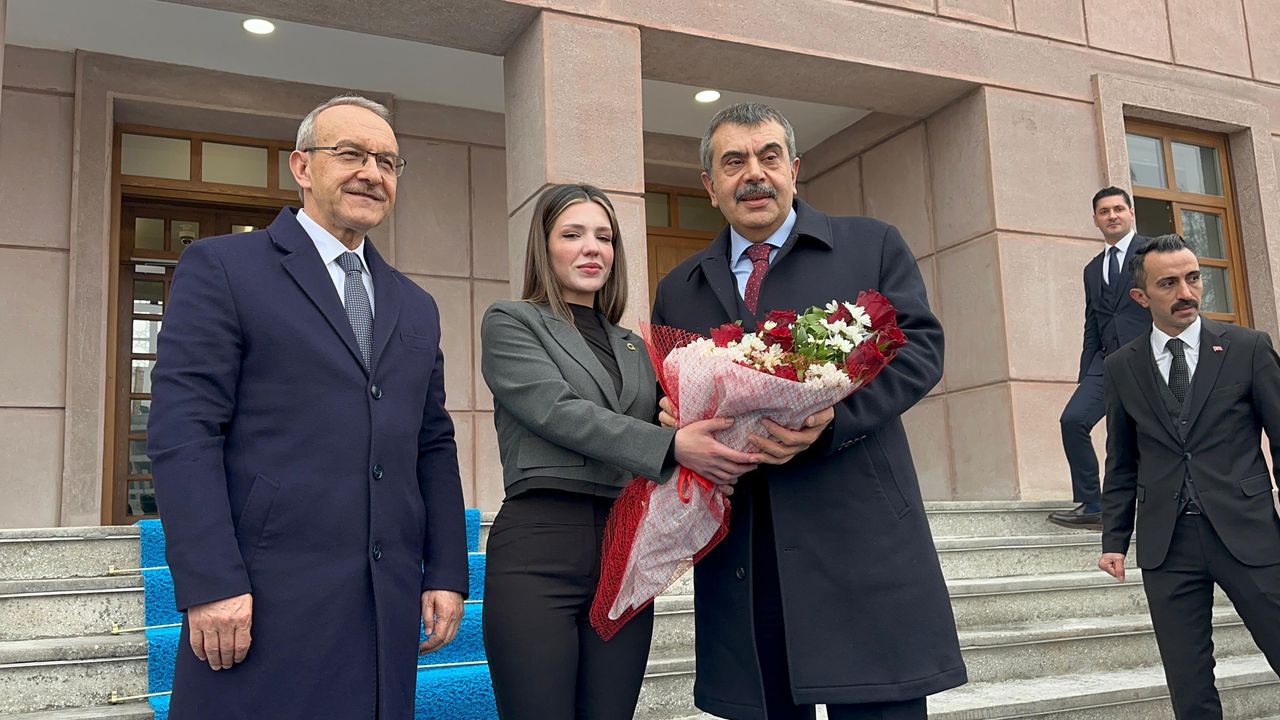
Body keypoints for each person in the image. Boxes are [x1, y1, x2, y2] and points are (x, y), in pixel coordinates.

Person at [147, 94, 469, 720]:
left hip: (384, 598)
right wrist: (211, 581)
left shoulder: (414, 304)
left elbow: (432, 442)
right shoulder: (223, 267)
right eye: (350, 154)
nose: (371, 173)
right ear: (301, 166)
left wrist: (447, 571)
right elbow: (185, 430)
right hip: (264, 595)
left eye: (387, 162)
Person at [652, 103, 965, 720]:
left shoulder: (870, 245)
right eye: (734, 162)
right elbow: (667, 391)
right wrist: (672, 420)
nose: (754, 174)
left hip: (859, 530)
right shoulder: (679, 287)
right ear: (710, 186)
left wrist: (833, 423)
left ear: (794, 169)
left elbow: (919, 349)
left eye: (769, 156)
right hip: (744, 549)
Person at [478, 183, 756, 719]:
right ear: (544, 246)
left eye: (603, 237)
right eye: (572, 234)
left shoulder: (635, 346)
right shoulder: (512, 321)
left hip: (624, 548)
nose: (592, 248)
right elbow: (555, 410)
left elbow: (664, 424)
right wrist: (671, 443)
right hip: (538, 545)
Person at [1097, 234, 1280, 717]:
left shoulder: (1247, 348)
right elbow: (1122, 459)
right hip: (1167, 542)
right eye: (1169, 283)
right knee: (1188, 681)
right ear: (1141, 297)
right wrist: (1114, 538)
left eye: (1193, 278)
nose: (1186, 292)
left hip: (1248, 532)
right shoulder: (1122, 366)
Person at [1049, 187, 1151, 530]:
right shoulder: (1092, 269)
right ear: (1095, 219)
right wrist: (1086, 374)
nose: (1112, 216)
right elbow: (1092, 323)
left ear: (1131, 212)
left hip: (1148, 358)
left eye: (1118, 209)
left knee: (1136, 435)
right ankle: (1093, 504)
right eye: (1104, 211)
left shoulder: (1153, 251)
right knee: (1073, 420)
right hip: (1106, 363)